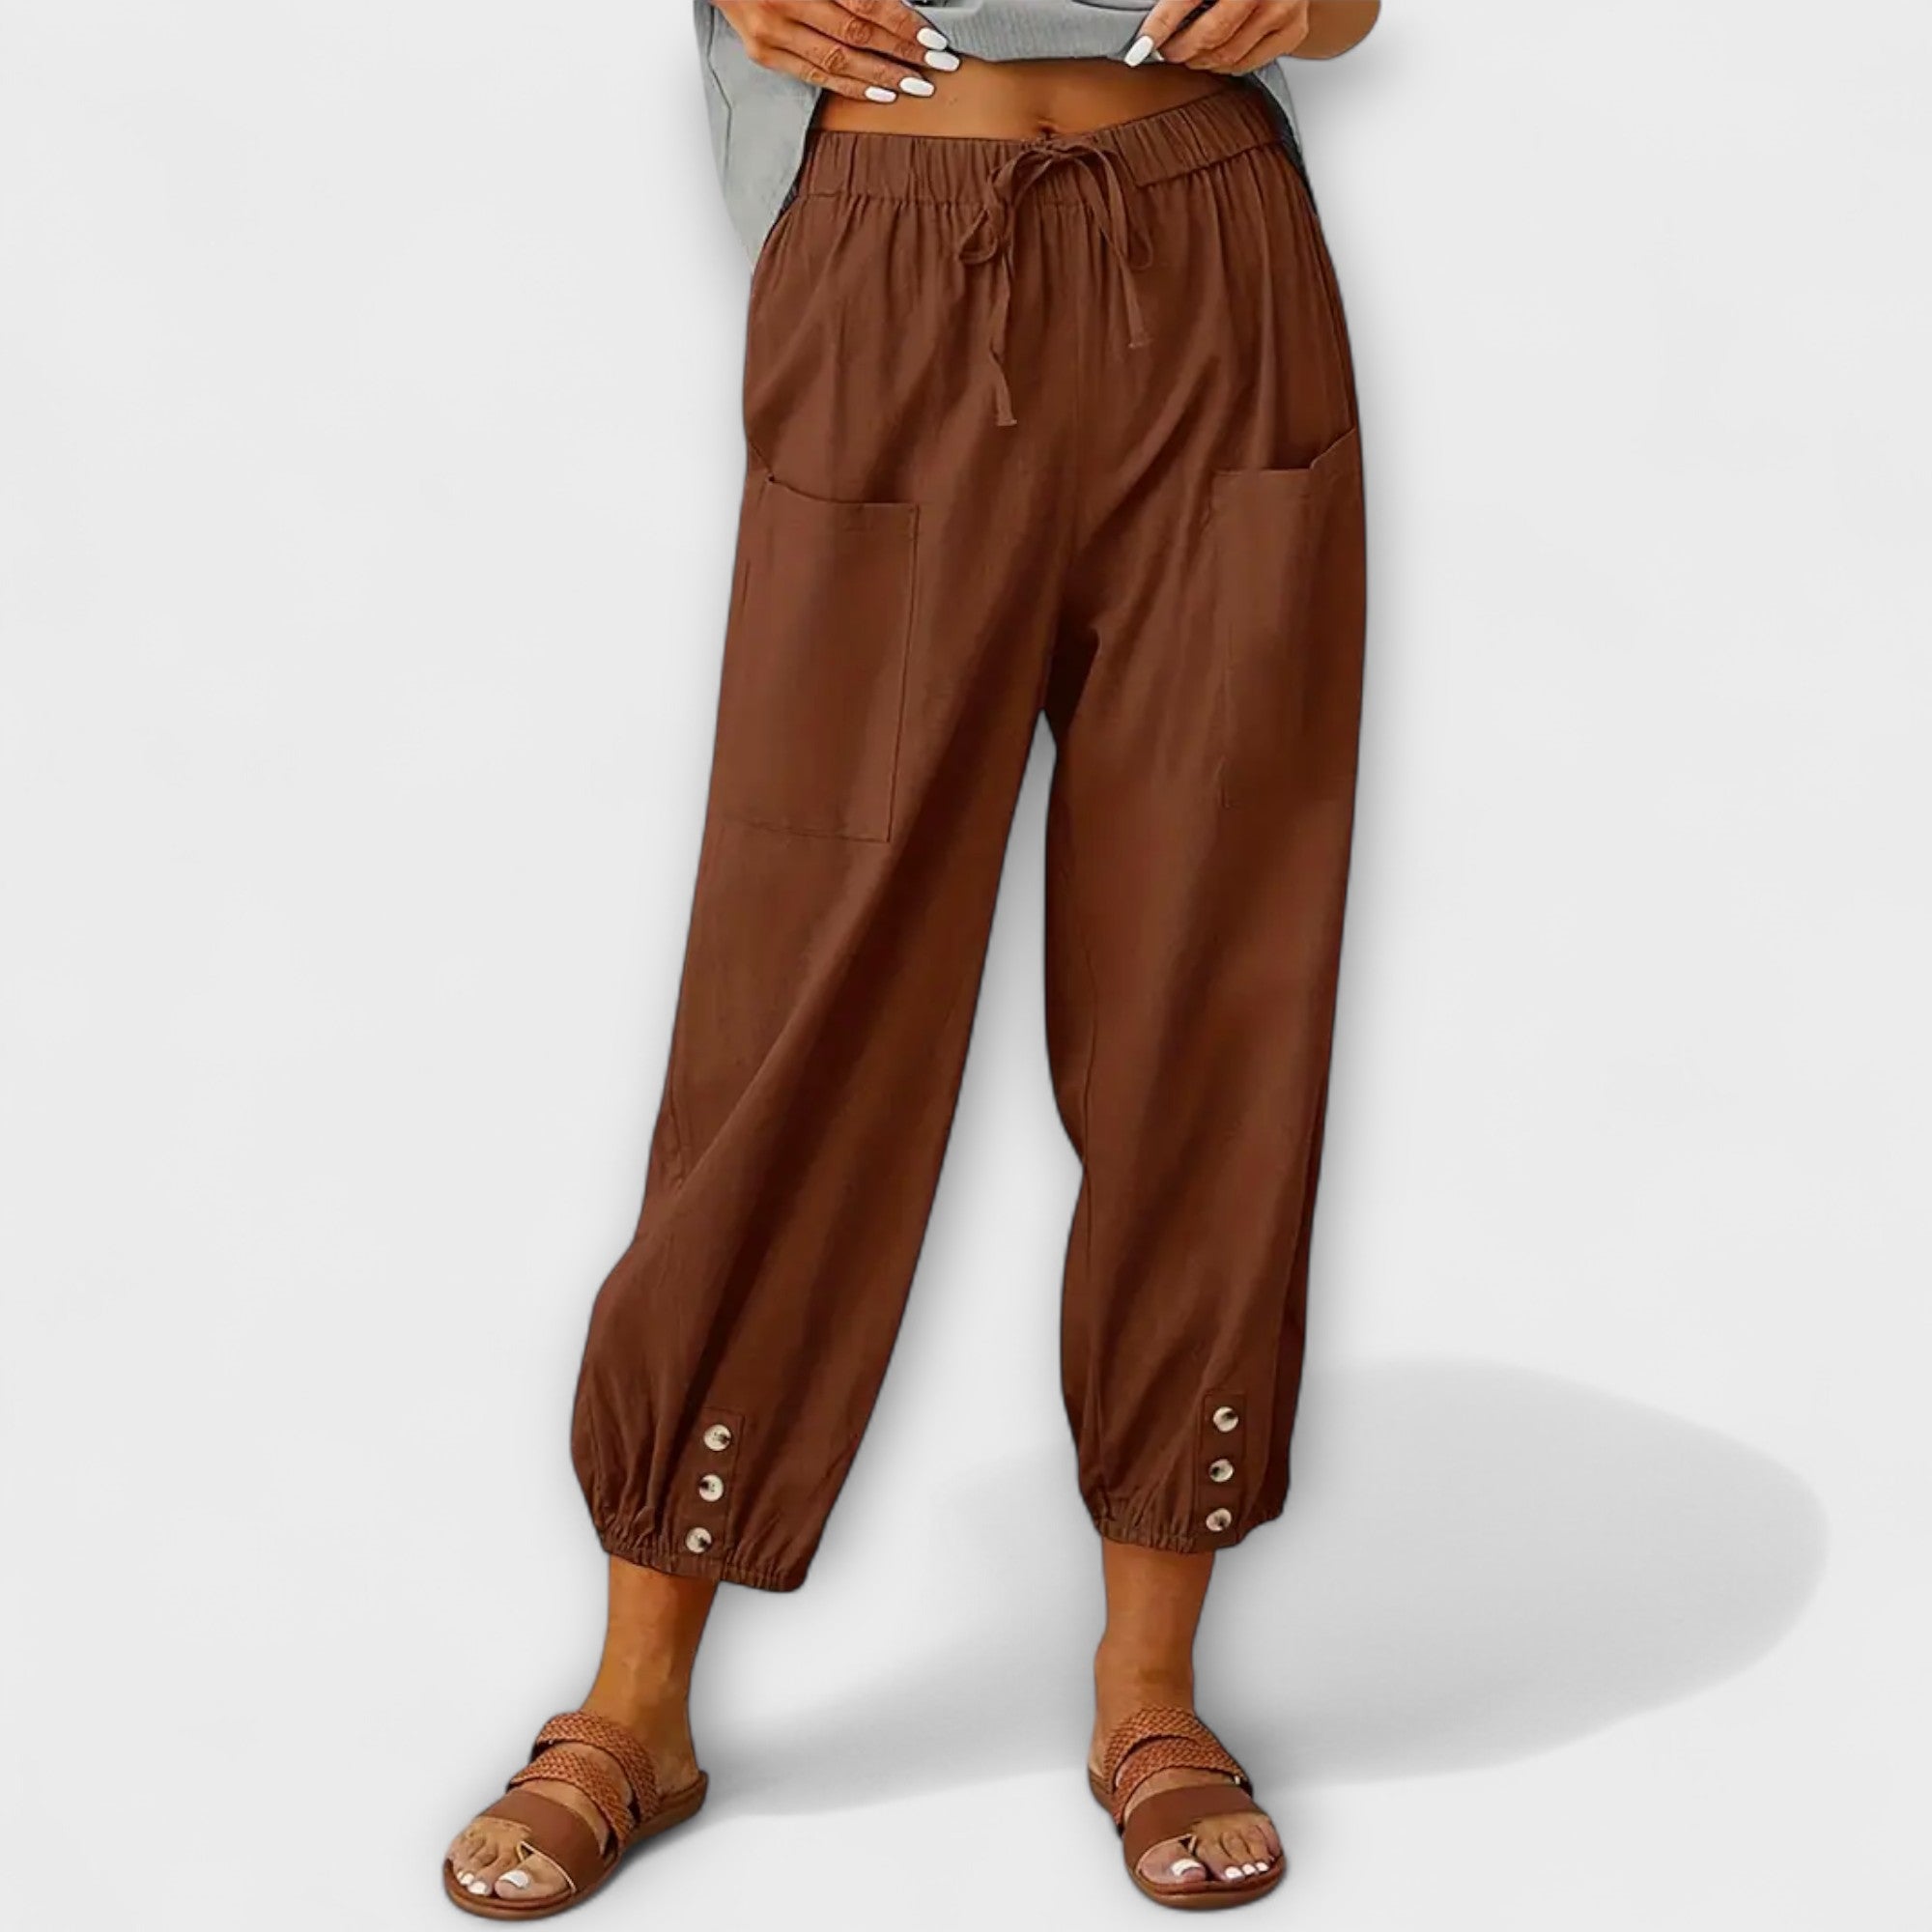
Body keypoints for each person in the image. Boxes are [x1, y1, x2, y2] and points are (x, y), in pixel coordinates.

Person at [442, 0, 1380, 1916]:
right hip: (888, 242)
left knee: (1212, 968)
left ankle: (1149, 1688)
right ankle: (638, 1697)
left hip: (1215, 247)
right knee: (803, 980)